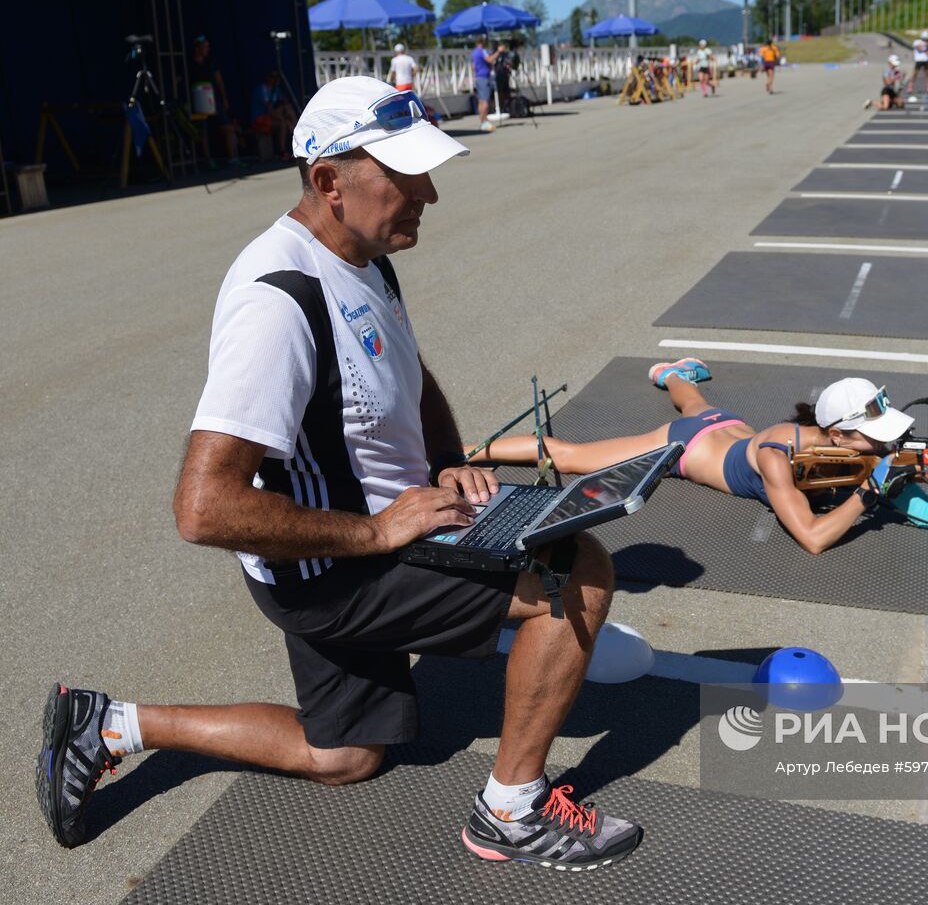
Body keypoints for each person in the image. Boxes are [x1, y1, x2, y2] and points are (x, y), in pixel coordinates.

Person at [35, 76, 643, 872]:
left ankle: (110, 723)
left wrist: (449, 463)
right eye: (403, 175)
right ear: (328, 182)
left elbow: (409, 374)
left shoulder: (362, 254)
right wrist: (377, 529)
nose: (427, 192)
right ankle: (511, 811)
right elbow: (202, 507)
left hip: (351, 552)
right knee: (578, 573)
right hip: (336, 571)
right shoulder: (278, 301)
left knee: (347, 757)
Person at [469, 360, 928, 554]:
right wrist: (869, 492)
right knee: (570, 457)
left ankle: (672, 373)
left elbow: (915, 488)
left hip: (725, 427)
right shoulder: (776, 455)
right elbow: (812, 539)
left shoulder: (846, 445)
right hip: (690, 445)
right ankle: (469, 449)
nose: (887, 446)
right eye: (875, 439)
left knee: (696, 396)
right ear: (837, 436)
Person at [189, 34, 242, 167]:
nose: (207, 49)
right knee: (203, 131)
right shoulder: (189, 64)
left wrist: (224, 98)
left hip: (214, 101)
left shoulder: (211, 62)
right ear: (197, 48)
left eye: (208, 46)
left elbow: (219, 81)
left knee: (228, 128)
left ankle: (233, 158)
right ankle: (208, 160)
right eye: (205, 47)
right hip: (198, 102)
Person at [249, 71, 297, 159]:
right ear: (268, 78)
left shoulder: (276, 90)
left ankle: (297, 130)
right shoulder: (262, 89)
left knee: (287, 108)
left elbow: (285, 103)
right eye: (273, 77)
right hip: (260, 119)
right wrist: (284, 120)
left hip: (272, 117)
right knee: (283, 124)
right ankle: (282, 151)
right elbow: (269, 110)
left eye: (277, 78)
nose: (275, 79)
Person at [472, 37, 504, 132]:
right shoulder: (482, 51)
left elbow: (473, 65)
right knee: (485, 101)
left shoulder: (474, 52)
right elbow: (490, 59)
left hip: (478, 77)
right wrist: (498, 52)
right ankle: (485, 122)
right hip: (484, 77)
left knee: (481, 101)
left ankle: (482, 122)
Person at [907, 30, 928, 96]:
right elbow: (919, 46)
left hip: (925, 60)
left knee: (927, 74)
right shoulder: (917, 42)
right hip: (918, 60)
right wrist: (927, 44)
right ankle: (910, 86)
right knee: (915, 74)